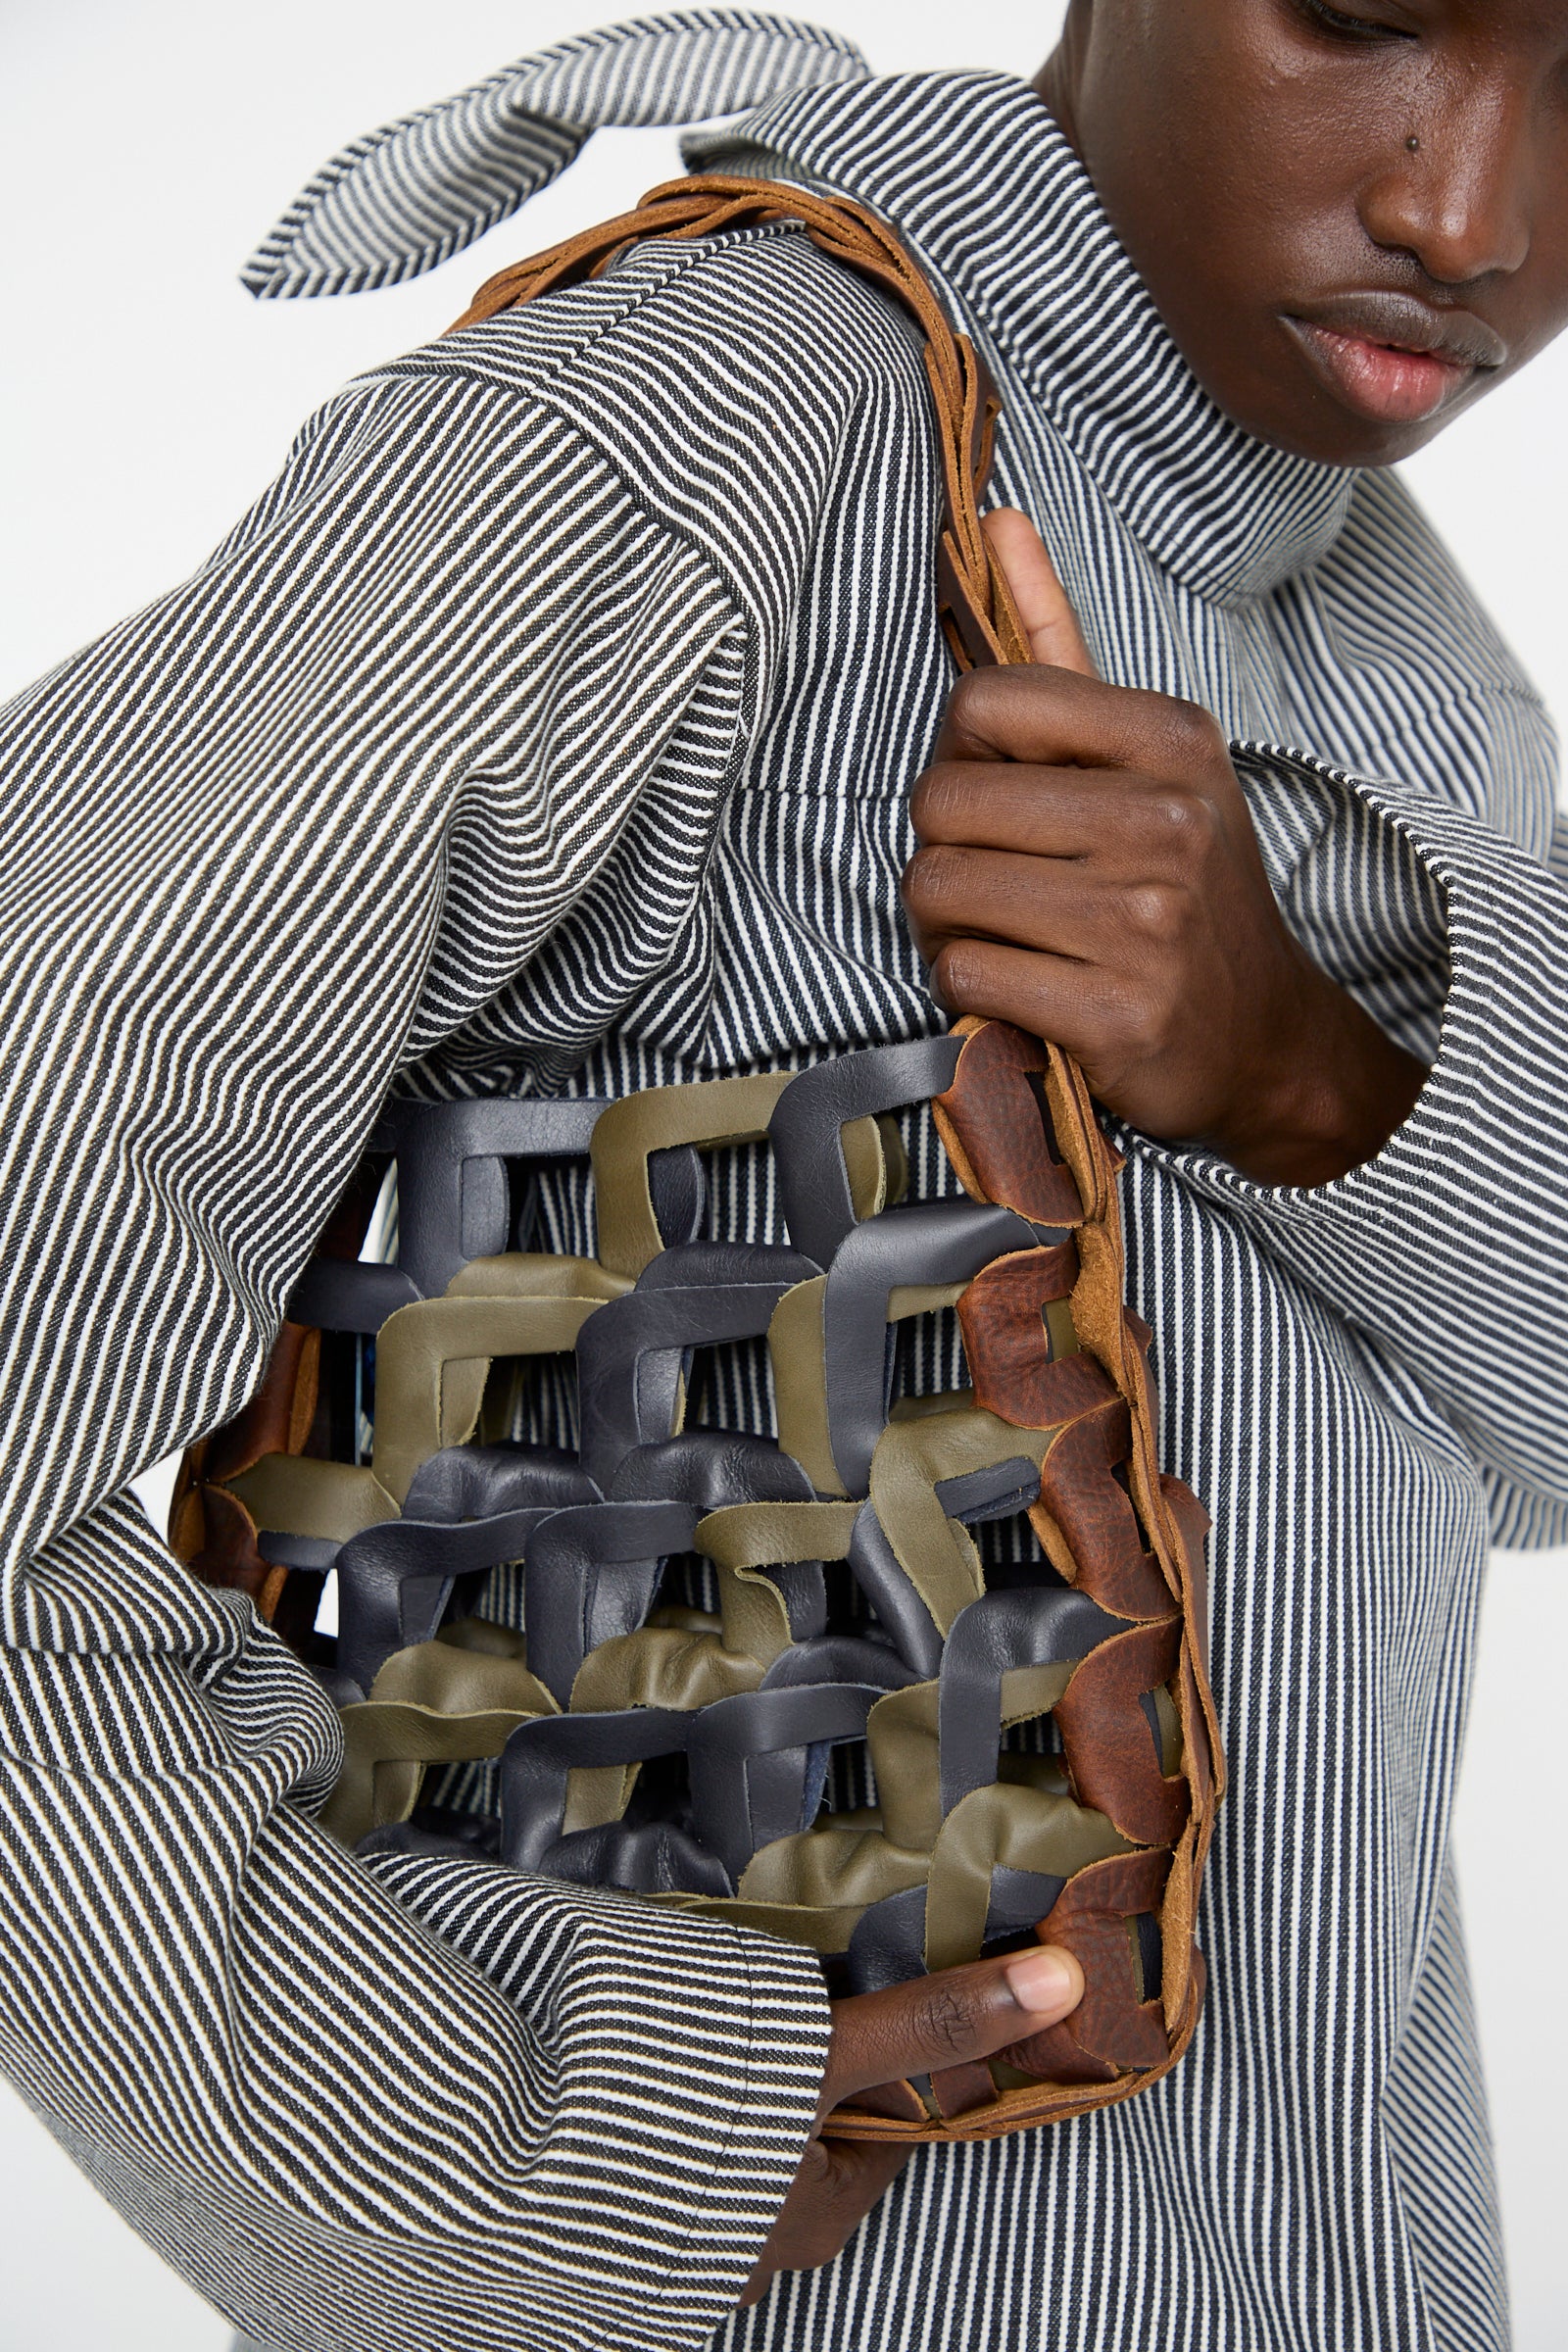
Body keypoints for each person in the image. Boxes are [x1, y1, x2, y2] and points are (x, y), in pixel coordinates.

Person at [2, 3, 1565, 2347]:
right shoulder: (678, 444)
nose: (1472, 216)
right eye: (1354, 8)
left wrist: (1302, 1081)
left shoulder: (1398, 611)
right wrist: (502, 2150)